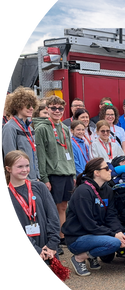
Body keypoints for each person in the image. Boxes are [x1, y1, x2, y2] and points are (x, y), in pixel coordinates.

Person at [62, 158, 125, 276]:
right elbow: (88, 224)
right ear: (96, 173)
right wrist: (113, 234)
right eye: (107, 168)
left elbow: (111, 215)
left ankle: (91, 255)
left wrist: (118, 231)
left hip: (95, 233)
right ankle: (79, 257)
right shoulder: (83, 191)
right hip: (78, 237)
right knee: (114, 242)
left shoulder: (107, 189)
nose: (111, 171)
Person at [34, 95, 76, 245]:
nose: (57, 111)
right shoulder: (41, 129)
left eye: (60, 108)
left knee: (64, 206)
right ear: (47, 109)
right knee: (53, 208)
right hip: (53, 174)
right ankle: (53, 238)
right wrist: (44, 178)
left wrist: (74, 172)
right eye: (53, 108)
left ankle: (61, 236)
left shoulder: (65, 128)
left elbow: (69, 152)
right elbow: (41, 155)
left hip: (67, 172)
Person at [5, 150, 60, 262]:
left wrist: (52, 244)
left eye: (27, 166)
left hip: (47, 247)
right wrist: (34, 249)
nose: (25, 170)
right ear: (8, 169)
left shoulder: (39, 187)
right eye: (20, 166)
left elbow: (53, 216)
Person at [2, 86, 40, 180]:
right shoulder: (10, 127)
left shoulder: (30, 128)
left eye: (33, 106)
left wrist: (38, 176)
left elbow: (34, 155)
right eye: (28, 106)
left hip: (33, 178)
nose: (31, 108)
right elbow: (10, 157)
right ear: (18, 106)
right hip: (21, 180)